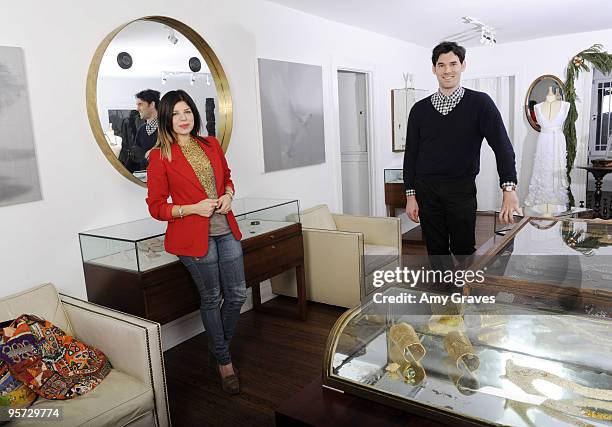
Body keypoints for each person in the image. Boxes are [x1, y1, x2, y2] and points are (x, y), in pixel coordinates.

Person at [146, 90, 246, 395]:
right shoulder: (159, 157)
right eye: (175, 113)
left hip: (225, 228)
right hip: (192, 238)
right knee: (212, 297)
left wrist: (228, 195)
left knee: (238, 294)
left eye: (187, 111)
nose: (183, 118)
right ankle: (225, 363)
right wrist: (192, 208)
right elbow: (157, 207)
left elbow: (227, 177)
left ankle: (217, 348)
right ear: (166, 118)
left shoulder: (211, 144)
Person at [403, 41, 521, 263]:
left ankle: (465, 293)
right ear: (433, 69)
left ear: (463, 65)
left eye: (453, 64)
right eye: (441, 65)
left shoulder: (480, 104)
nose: (447, 70)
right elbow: (411, 156)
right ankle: (443, 294)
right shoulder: (419, 110)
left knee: (463, 247)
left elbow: (502, 145)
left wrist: (509, 187)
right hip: (426, 190)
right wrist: (410, 196)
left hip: (461, 189)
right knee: (435, 249)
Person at [131, 89, 160, 171]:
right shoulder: (141, 129)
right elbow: (135, 157)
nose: (137, 109)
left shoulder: (167, 128)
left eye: (140, 104)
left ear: (152, 104)